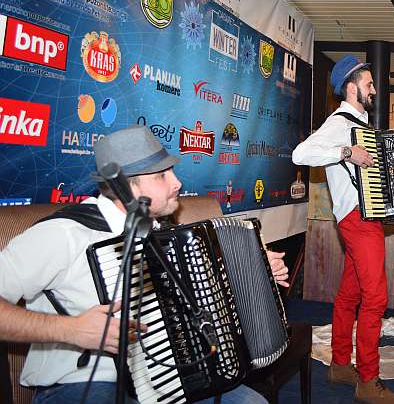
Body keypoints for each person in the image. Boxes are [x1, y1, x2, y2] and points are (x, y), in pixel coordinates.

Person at [0, 126, 290, 404]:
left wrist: (257, 271)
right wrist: (70, 330)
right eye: (162, 175)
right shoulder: (63, 234)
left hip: (167, 380)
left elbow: (206, 295)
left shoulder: (163, 234)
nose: (177, 183)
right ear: (124, 186)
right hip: (82, 384)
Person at [292, 54, 394, 404]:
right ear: (351, 88)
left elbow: (381, 176)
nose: (374, 90)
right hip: (357, 220)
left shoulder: (362, 126)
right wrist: (345, 152)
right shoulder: (340, 123)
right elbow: (300, 154)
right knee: (376, 299)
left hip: (365, 219)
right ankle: (368, 381)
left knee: (350, 295)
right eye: (369, 84)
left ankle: (340, 364)